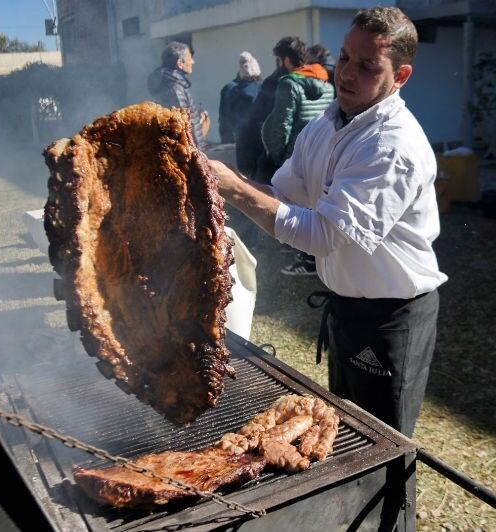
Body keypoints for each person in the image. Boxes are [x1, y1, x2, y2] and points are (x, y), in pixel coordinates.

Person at [207, 6, 447, 437]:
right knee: (345, 428)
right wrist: (222, 181)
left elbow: (322, 236)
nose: (347, 74)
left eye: (368, 66)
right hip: (346, 307)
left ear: (401, 76)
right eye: (345, 58)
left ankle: (392, 506)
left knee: (382, 442)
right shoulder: (326, 124)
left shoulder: (392, 146)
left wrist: (234, 188)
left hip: (392, 315)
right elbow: (282, 194)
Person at [261, 38, 334, 169]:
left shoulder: (288, 84)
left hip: (293, 158)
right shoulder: (327, 85)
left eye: (278, 60)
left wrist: (279, 159)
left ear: (287, 61)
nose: (277, 65)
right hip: (320, 156)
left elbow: (282, 124)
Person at [234, 39, 292, 182]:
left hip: (274, 162)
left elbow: (256, 123)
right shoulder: (325, 82)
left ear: (282, 60)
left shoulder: (272, 84)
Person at [147, 41, 206, 148]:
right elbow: (182, 126)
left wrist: (197, 119)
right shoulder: (175, 88)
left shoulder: (172, 84)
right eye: (189, 58)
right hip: (187, 152)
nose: (193, 61)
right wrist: (197, 151)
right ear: (180, 64)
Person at [218, 52, 261, 144]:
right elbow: (224, 119)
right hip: (238, 141)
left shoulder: (261, 87)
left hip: (258, 140)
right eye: (242, 63)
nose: (245, 65)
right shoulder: (230, 89)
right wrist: (228, 142)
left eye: (247, 62)